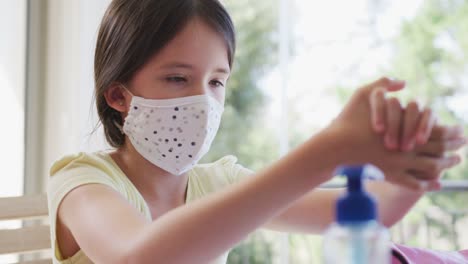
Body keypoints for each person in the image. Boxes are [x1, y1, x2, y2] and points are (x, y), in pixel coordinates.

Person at [46, 0, 466, 263]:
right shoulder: (81, 181)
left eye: (216, 82)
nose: (203, 101)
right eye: (177, 79)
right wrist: (329, 149)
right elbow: (137, 258)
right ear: (119, 96)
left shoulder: (219, 181)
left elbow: (366, 211)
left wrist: (416, 164)